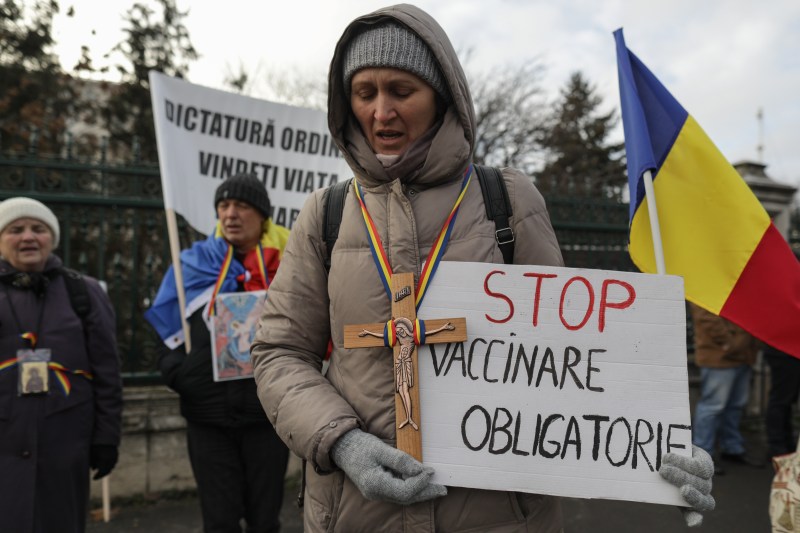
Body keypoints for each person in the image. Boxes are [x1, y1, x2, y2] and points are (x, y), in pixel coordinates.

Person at [251, 4, 714, 531]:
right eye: (365, 93)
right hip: (357, 512)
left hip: (503, 515)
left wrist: (658, 446)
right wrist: (341, 440)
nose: (381, 112)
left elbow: (578, 358)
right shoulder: (325, 214)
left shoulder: (508, 200)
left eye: (401, 91)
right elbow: (279, 351)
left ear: (442, 96)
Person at [145, 173, 291, 533]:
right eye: (224, 206)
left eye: (242, 206)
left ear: (262, 216)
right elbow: (167, 332)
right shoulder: (192, 265)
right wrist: (178, 374)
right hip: (207, 417)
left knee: (265, 519)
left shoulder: (288, 265)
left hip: (266, 415)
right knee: (220, 521)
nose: (230, 214)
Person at [0, 197, 122, 532]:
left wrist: (106, 437)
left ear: (51, 238)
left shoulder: (83, 291)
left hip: (65, 445)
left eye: (38, 229)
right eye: (15, 230)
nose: (28, 237)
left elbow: (107, 372)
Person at [690, 302, 763, 474]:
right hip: (722, 355)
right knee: (713, 406)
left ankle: (731, 448)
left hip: (740, 354)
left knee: (733, 406)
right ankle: (703, 455)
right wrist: (730, 343)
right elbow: (705, 315)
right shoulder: (709, 284)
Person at [764, 344, 800, 459]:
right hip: (785, 354)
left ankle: (785, 443)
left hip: (787, 353)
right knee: (781, 401)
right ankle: (778, 446)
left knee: (785, 401)